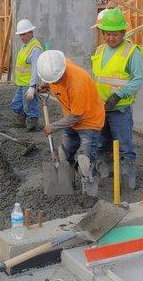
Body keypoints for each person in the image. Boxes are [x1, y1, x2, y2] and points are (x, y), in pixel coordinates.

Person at [37, 50, 105, 204]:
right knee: (64, 153)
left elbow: (77, 116)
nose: (54, 82)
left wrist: (53, 127)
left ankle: (90, 195)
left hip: (89, 120)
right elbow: (52, 76)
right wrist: (46, 83)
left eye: (55, 79)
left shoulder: (77, 83)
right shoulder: (56, 64)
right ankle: (68, 183)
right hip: (70, 116)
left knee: (85, 160)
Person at [91, 8, 143, 190]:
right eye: (107, 34)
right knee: (101, 144)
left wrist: (118, 95)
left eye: (114, 34)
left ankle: (128, 180)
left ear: (123, 32)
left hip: (119, 109)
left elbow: (138, 80)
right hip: (100, 109)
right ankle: (107, 174)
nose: (110, 38)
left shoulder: (131, 52)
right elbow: (96, 78)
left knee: (124, 147)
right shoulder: (99, 50)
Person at [10, 19, 42, 131]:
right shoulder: (26, 45)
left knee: (30, 106)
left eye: (23, 34)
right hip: (22, 83)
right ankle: (21, 120)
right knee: (16, 104)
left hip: (28, 85)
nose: (21, 37)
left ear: (31, 32)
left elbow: (35, 69)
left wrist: (32, 87)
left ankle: (32, 124)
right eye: (20, 35)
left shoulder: (35, 48)